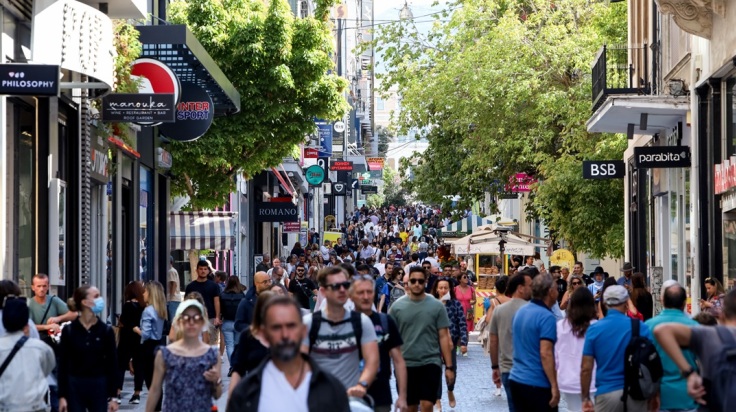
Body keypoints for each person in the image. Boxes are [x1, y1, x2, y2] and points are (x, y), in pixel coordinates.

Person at [228, 296, 350, 411]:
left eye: (291, 326)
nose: (285, 335)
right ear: (264, 335)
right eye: (276, 327)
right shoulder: (244, 393)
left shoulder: (331, 388)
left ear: (303, 331)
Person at [653, 289, 736, 411]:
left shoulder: (711, 335)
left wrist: (689, 373)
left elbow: (661, 331)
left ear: (722, 315)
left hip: (683, 398)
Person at [302, 267, 379, 396]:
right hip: (318, 398)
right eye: (336, 286)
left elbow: (372, 360)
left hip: (350, 397)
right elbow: (299, 363)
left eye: (346, 285)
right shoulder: (308, 324)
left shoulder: (362, 322)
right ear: (323, 291)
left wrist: (362, 385)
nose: (342, 290)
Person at [389, 266, 454, 412]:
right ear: (408, 282)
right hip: (405, 364)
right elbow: (391, 337)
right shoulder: (397, 307)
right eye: (413, 281)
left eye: (420, 281)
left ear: (425, 282)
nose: (417, 284)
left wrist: (449, 367)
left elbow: (444, 336)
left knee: (427, 404)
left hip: (430, 362)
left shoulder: (437, 306)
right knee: (410, 406)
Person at [581, 285, 652, 412]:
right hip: (636, 391)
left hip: (607, 392)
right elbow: (652, 360)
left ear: (604, 303)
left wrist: (585, 397)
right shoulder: (640, 327)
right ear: (626, 303)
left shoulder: (594, 330)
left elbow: (586, 368)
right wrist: (655, 394)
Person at [145, 299, 221, 412]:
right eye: (186, 318)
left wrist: (216, 381)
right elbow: (155, 390)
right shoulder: (165, 354)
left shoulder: (212, 354)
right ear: (179, 322)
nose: (191, 322)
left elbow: (217, 395)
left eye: (196, 318)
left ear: (202, 323)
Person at [349, 275, 408, 412]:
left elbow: (398, 361)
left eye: (369, 292)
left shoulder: (385, 322)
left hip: (380, 394)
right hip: (350, 393)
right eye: (360, 292)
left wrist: (402, 396)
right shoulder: (344, 323)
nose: (366, 297)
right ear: (351, 296)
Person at [58, 286, 118, 412]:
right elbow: (63, 364)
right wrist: (62, 396)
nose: (100, 299)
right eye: (96, 296)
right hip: (75, 385)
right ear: (85, 302)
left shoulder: (105, 331)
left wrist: (114, 396)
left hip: (98, 384)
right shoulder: (69, 331)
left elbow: (112, 363)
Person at [644, 280, 698, 412]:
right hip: (688, 395)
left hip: (659, 395)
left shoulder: (648, 326)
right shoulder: (695, 327)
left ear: (662, 301)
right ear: (684, 303)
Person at [508, 273, 559, 411]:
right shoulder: (547, 317)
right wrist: (554, 385)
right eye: (556, 289)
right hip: (537, 382)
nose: (558, 292)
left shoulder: (521, 312)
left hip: (516, 378)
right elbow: (545, 353)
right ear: (550, 292)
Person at [0, 298, 56, 411]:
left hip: (5, 407)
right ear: (27, 323)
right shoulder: (41, 348)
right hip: (34, 406)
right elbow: (47, 369)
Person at [555, 287, 597, 412]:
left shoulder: (560, 326)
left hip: (568, 380)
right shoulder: (596, 326)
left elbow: (555, 356)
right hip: (593, 380)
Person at [431, 277, 467, 408]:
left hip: (450, 342)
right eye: (440, 288)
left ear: (450, 289)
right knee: (435, 371)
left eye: (445, 287)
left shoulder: (455, 304)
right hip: (433, 342)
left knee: (452, 369)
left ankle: (450, 390)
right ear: (436, 289)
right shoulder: (431, 304)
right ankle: (437, 399)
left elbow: (462, 323)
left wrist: (463, 342)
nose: (443, 290)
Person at [228, 292, 273, 396]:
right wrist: (231, 399)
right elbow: (238, 369)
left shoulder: (284, 335)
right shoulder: (248, 335)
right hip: (254, 392)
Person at [132, 281, 167, 407]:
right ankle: (158, 407)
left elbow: (145, 334)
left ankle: (155, 407)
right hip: (158, 345)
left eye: (145, 291)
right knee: (157, 381)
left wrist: (136, 329)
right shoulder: (161, 310)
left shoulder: (148, 311)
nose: (143, 294)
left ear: (151, 293)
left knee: (150, 381)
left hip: (148, 347)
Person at [116, 281, 145, 403]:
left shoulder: (127, 305)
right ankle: (137, 394)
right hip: (139, 339)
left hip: (126, 338)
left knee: (120, 365)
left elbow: (124, 321)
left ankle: (117, 393)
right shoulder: (143, 306)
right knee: (139, 366)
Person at [185, 261, 222, 347]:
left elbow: (217, 301)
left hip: (211, 318)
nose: (203, 271)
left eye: (205, 269)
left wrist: (217, 317)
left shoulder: (214, 286)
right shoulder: (190, 286)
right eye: (201, 269)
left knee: (211, 343)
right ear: (197, 270)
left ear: (208, 271)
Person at [220, 276, 246, 365]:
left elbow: (220, 309)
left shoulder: (223, 295)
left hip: (227, 321)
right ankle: (236, 365)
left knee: (229, 345)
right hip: (238, 323)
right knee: (237, 345)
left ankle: (232, 365)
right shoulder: (242, 295)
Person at [167, 257, 182, 322]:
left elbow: (174, 284)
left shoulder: (171, 271)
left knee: (173, 320)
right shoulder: (172, 270)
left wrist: (170, 298)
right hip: (174, 299)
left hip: (173, 300)